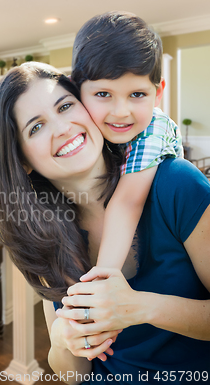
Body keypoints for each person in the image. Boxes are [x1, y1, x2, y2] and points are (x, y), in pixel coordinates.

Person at [0, 61, 210, 383]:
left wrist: (141, 307)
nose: (62, 128)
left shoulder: (175, 184)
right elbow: (73, 374)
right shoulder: (41, 233)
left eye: (65, 106)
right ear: (22, 160)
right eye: (36, 127)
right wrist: (64, 341)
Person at [73, 11, 184, 272]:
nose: (121, 111)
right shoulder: (87, 132)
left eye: (137, 94)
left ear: (157, 94)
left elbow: (127, 203)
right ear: (77, 91)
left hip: (169, 252)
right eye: (103, 93)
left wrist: (102, 279)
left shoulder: (154, 129)